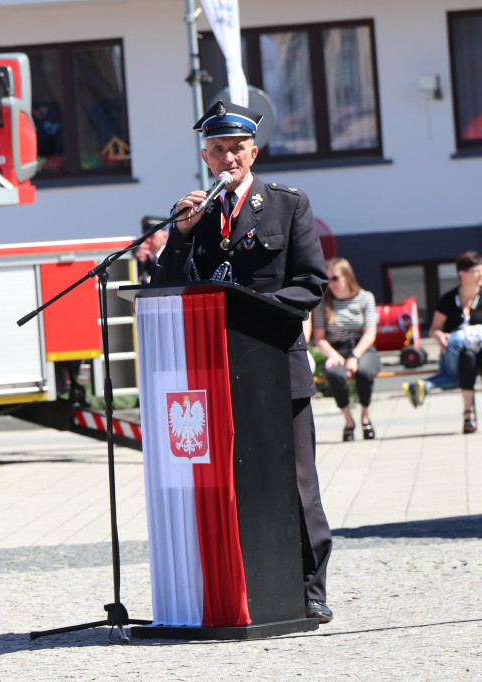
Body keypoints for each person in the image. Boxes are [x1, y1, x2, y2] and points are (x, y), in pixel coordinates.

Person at [155, 100, 333, 624]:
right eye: (217, 150)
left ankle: (310, 588)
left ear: (253, 152)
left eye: (237, 148)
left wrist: (257, 315)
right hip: (214, 372)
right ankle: (235, 586)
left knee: (299, 481)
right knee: (227, 482)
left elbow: (311, 283)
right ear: (206, 156)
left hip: (276, 363)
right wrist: (180, 236)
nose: (228, 157)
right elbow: (166, 289)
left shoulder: (287, 203)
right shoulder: (194, 212)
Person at [406, 252, 482, 432]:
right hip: (458, 352)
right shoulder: (448, 299)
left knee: (460, 371)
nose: (481, 275)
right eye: (477, 272)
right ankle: (468, 412)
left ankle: (426, 386)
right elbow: (433, 329)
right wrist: (439, 336)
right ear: (462, 274)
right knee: (467, 359)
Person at [312, 258, 380, 441]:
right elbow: (318, 339)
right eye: (327, 280)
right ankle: (349, 421)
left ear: (348, 277)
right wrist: (333, 354)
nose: (331, 284)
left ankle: (365, 416)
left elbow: (370, 334)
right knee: (334, 374)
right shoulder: (323, 303)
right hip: (336, 349)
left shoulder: (366, 297)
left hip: (363, 348)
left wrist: (354, 356)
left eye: (335, 278)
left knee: (365, 372)